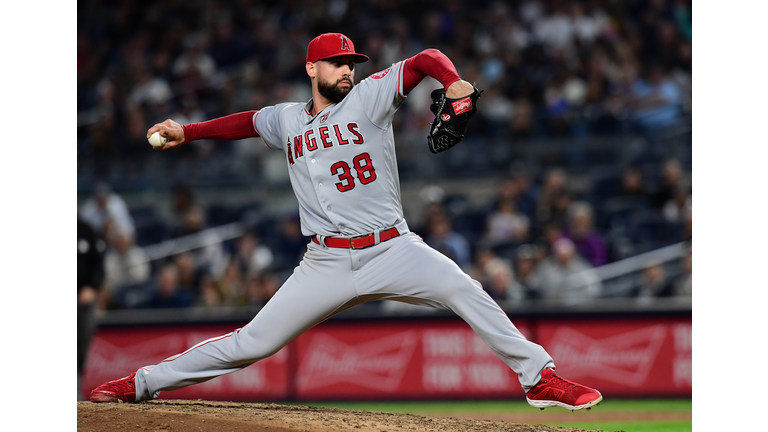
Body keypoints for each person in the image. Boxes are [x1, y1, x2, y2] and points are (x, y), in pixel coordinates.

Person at [91, 32, 601, 411]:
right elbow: (246, 122)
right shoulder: (287, 118)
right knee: (252, 344)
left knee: (462, 287)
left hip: (392, 248)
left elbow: (424, 59)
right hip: (325, 260)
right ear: (312, 68)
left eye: (351, 64)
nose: (347, 71)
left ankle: (538, 377)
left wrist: (454, 80)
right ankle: (141, 383)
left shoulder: (369, 99)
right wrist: (189, 131)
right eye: (337, 64)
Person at [77, 217, 106, 400]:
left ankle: (75, 388)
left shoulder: (84, 229)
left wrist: (92, 286)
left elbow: (99, 264)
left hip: (81, 300)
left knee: (79, 346)